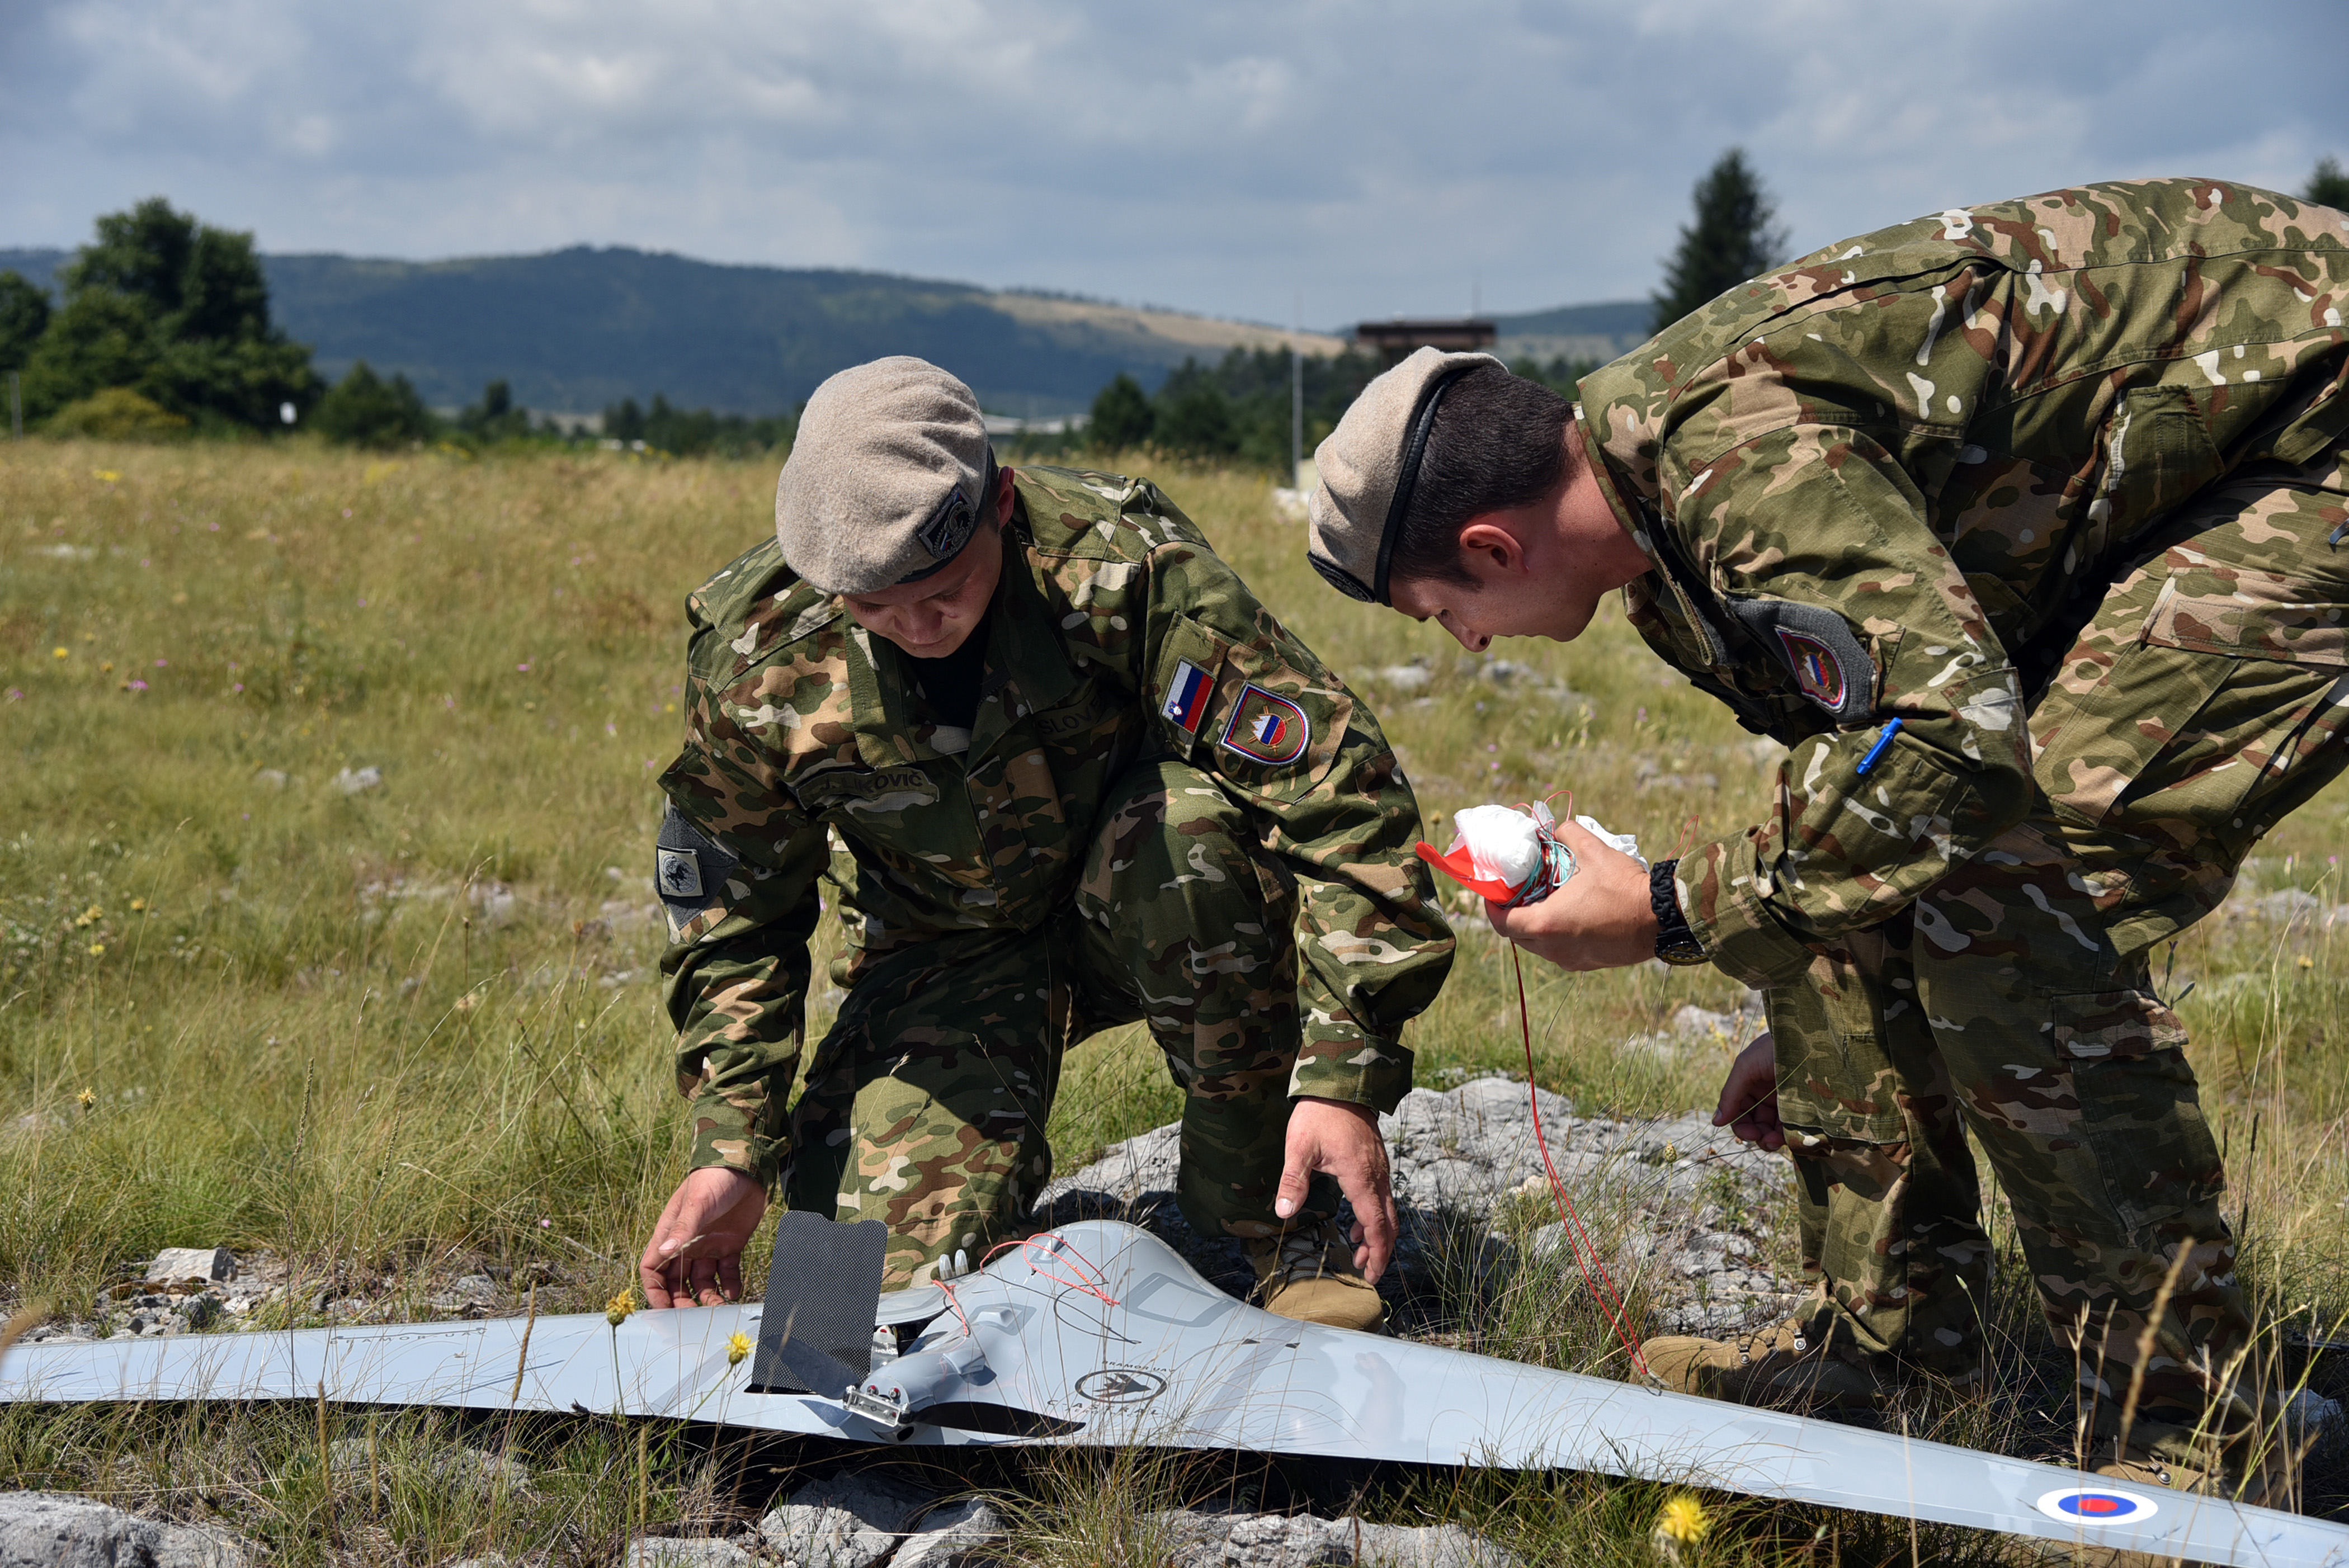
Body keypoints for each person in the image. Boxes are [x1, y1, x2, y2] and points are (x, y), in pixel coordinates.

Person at [1305, 178, 2348, 1500]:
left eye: (1437, 611)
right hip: (2199, 470)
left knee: (2023, 895)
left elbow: (1949, 748)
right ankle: (1897, 1352)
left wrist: (1671, 909)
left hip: (2314, 424)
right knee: (1889, 861)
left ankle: (2195, 1418)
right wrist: (1814, 1001)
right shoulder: (1666, 562)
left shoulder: (1726, 455)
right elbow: (1863, 797)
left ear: (1491, 544)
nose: (1463, 643)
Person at [637, 356, 1452, 1333]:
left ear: (1003, 506)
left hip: (1156, 903)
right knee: (840, 1323)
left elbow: (1338, 790)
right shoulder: (759, 653)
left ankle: (1278, 1214)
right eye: (869, 608)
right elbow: (736, 918)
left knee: (1182, 828)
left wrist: (1344, 1078)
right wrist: (731, 1146)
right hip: (944, 958)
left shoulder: (1122, 566)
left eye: (940, 590)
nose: (912, 627)